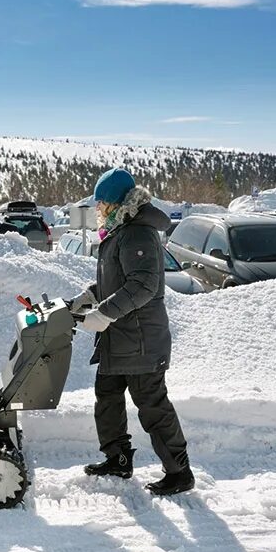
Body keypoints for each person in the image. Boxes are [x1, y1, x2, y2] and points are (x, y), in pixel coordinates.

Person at [69, 167, 194, 496]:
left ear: (117, 203)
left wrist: (104, 314)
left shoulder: (137, 232)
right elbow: (119, 279)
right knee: (107, 398)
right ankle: (118, 458)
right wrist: (90, 295)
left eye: (102, 204)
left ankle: (179, 472)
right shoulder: (120, 230)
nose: (98, 210)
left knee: (152, 406)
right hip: (119, 337)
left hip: (140, 340)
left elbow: (143, 285)